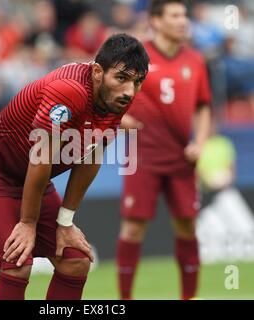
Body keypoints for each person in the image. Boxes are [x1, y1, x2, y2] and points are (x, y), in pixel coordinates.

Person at [0, 33, 149, 300]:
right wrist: (27, 222)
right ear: (96, 72)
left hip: (31, 177)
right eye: (122, 78)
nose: (130, 90)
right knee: (18, 265)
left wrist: (65, 222)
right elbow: (40, 158)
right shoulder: (68, 91)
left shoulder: (115, 97)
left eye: (138, 82)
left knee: (76, 261)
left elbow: (92, 156)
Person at [116, 0, 212, 300]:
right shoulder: (134, 56)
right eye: (174, 15)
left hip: (181, 156)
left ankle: (189, 297)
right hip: (141, 155)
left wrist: (201, 141)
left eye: (184, 15)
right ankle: (124, 300)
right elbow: (105, 93)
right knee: (132, 229)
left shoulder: (195, 60)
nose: (183, 21)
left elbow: (203, 106)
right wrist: (119, 118)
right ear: (156, 21)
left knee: (187, 226)